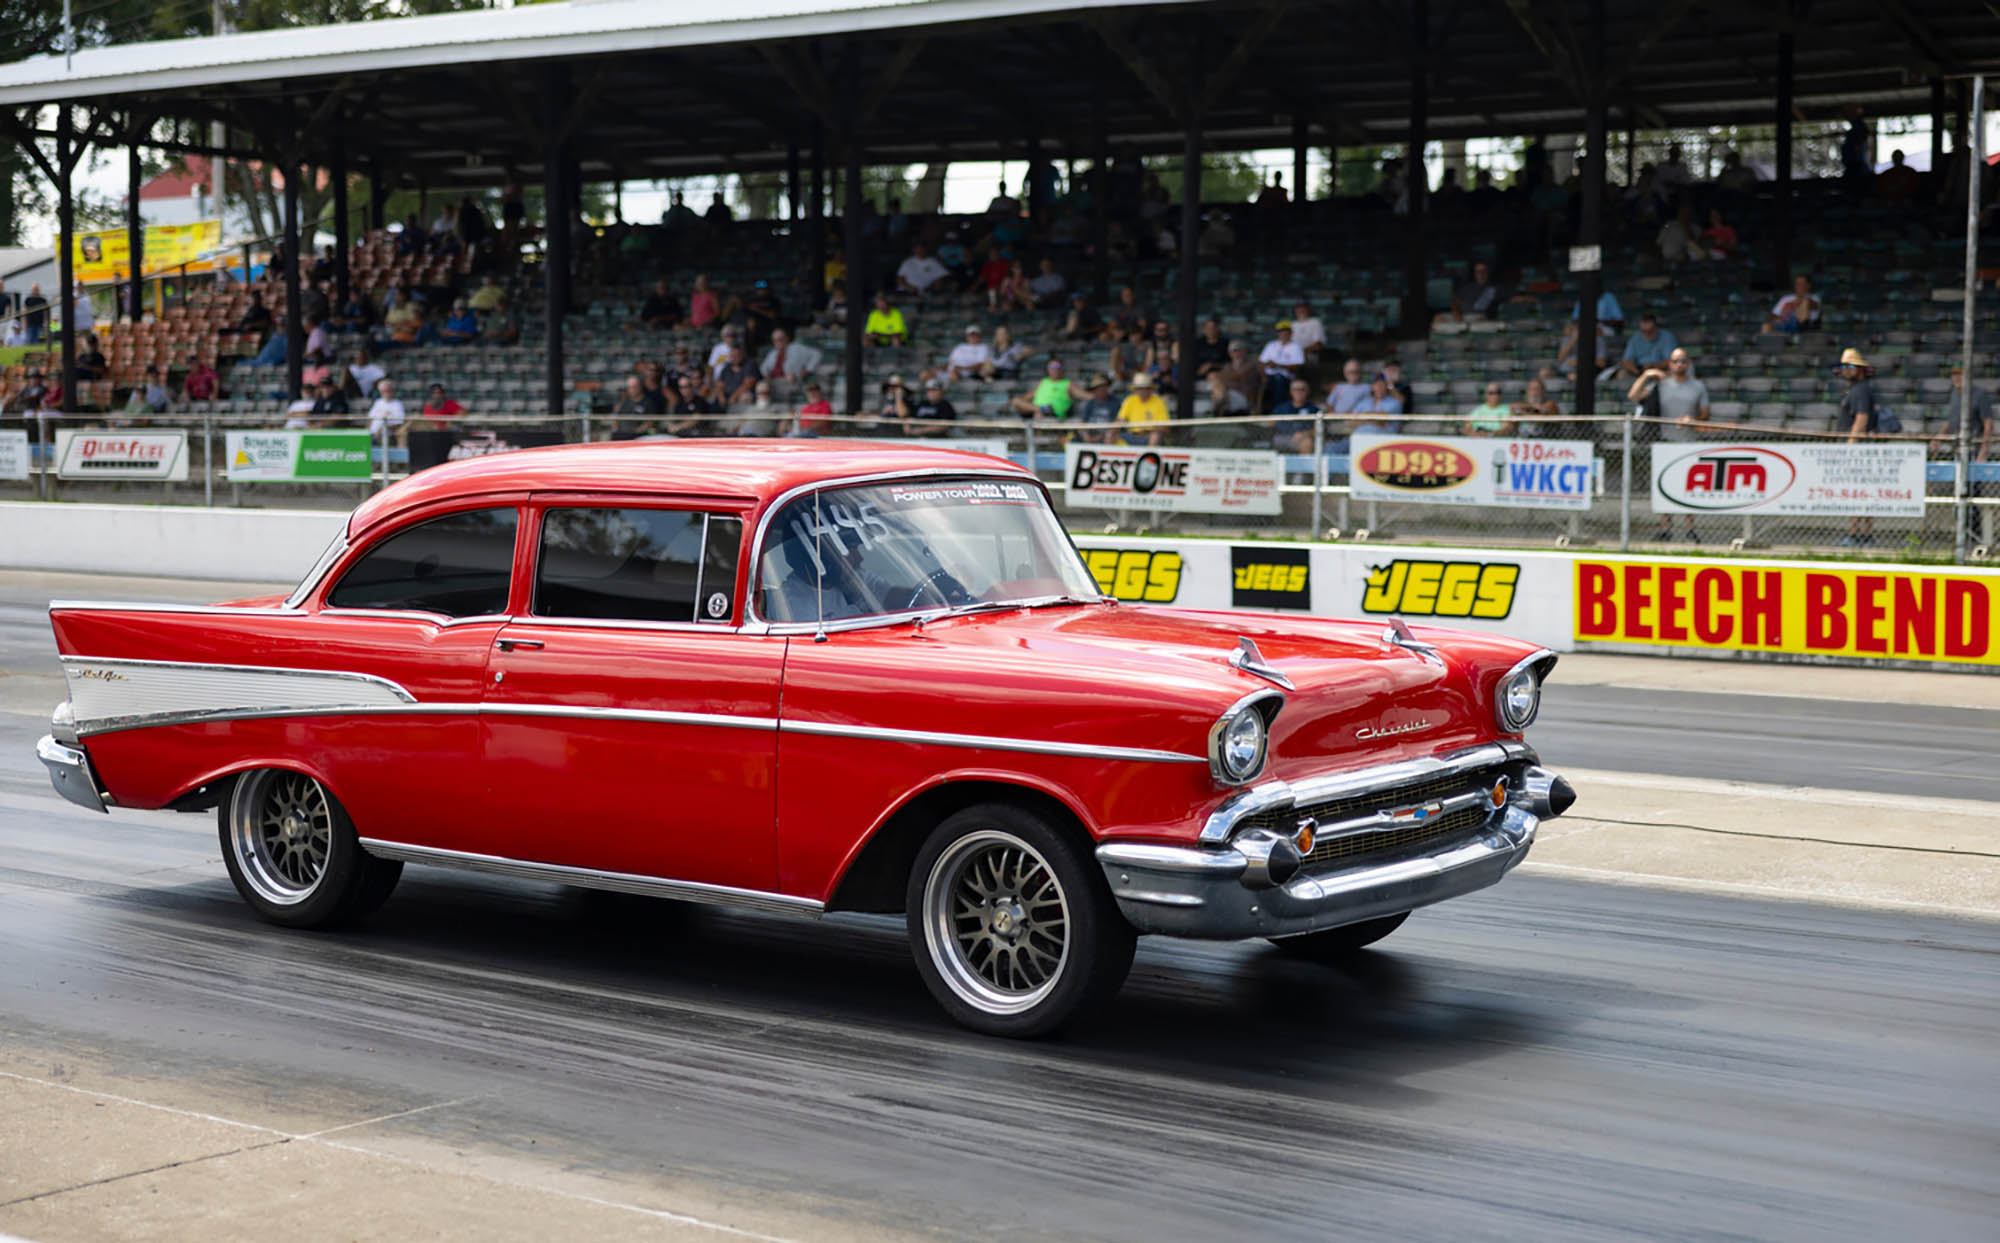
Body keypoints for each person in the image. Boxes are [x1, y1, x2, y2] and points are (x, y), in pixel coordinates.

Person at [1630, 348, 1711, 540]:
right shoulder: (1661, 385)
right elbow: (1633, 396)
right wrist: (1647, 374)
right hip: (1664, 442)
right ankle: (1665, 529)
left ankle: (1690, 529)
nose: (1679, 364)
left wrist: (1692, 419)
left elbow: (1705, 414)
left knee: (1689, 489)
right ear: (1669, 363)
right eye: (1675, 361)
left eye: (1683, 360)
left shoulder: (1698, 386)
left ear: (1688, 363)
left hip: (1689, 443)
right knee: (1664, 486)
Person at [1834, 347, 1880, 545]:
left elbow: (1861, 419)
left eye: (1850, 366)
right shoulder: (1855, 389)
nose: (1846, 369)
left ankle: (1855, 534)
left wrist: (1850, 446)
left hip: (1859, 450)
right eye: (1844, 366)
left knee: (1858, 492)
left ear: (1859, 369)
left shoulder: (1861, 390)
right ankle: (1863, 534)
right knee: (1861, 492)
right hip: (1860, 448)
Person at [759, 327, 822, 396]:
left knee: (764, 390)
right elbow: (763, 368)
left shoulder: (797, 348)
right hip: (773, 382)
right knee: (761, 387)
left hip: (791, 382)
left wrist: (807, 370)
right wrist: (766, 376)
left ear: (786, 338)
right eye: (775, 340)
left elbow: (817, 354)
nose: (778, 342)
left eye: (780, 339)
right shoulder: (773, 353)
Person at [1010, 358, 1078, 419]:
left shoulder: (1068, 383)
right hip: (1035, 410)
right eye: (1051, 366)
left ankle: (1040, 411)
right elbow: (1030, 395)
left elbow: (1084, 395)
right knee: (1016, 401)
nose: (1054, 369)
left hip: (1053, 413)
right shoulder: (1044, 381)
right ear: (1047, 369)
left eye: (1057, 366)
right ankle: (1041, 409)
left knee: (1038, 415)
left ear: (1062, 369)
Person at [1258, 321, 1304, 409]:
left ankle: (1277, 410)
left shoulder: (1296, 347)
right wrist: (1263, 375)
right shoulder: (1271, 345)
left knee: (1278, 378)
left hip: (1287, 377)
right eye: (1281, 331)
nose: (1283, 333)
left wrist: (1278, 365)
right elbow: (1261, 363)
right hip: (1268, 376)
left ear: (1290, 333)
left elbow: (1297, 367)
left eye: (1285, 331)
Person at [1209, 340, 1263, 415]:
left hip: (1244, 398)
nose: (1235, 353)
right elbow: (1225, 379)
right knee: (1215, 388)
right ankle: (1220, 400)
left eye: (1238, 350)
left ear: (1244, 351)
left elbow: (1237, 376)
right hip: (1228, 395)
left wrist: (1217, 376)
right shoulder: (1228, 366)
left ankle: (1219, 401)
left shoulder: (1251, 365)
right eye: (1232, 351)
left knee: (1216, 384)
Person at [1268, 377, 1321, 453]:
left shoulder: (1314, 409)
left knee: (1307, 442)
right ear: (1290, 391)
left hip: (1302, 439)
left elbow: (1319, 428)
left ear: (1308, 391)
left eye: (1302, 389)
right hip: (1281, 438)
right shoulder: (1281, 408)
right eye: (1295, 389)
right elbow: (1270, 424)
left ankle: (1304, 465)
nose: (1298, 392)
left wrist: (1304, 434)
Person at [1115, 371, 1168, 446]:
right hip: (1131, 435)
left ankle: (1149, 457)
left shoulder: (1159, 402)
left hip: (1149, 436)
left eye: (1146, 388)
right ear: (1135, 389)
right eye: (1140, 388)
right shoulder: (1130, 400)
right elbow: (1120, 419)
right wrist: (1116, 427)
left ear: (1151, 389)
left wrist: (1147, 431)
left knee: (1155, 436)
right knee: (1111, 435)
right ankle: (1110, 457)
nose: (1143, 391)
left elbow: (1164, 427)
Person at [1620, 313, 1679, 378]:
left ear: (1656, 328)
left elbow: (1672, 361)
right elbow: (1626, 361)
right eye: (1643, 331)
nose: (1646, 334)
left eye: (1650, 331)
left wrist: (1653, 366)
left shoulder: (1667, 337)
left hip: (1661, 371)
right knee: (1622, 374)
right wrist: (1637, 371)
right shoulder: (1635, 338)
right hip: (1640, 371)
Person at [368, 378, 408, 446]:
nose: (387, 392)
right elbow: (370, 419)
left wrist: (382, 429)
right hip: (372, 434)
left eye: (388, 390)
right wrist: (367, 432)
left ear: (392, 390)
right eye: (384, 391)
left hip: (386, 435)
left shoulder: (397, 404)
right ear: (380, 392)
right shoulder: (378, 402)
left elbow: (399, 423)